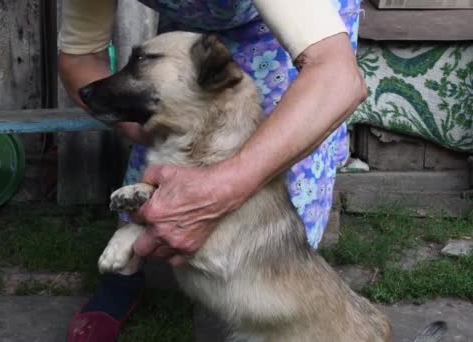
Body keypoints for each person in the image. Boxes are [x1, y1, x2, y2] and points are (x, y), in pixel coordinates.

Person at [59, 0, 365, 340]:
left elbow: (335, 74)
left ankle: (286, 312)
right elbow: (79, 56)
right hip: (190, 47)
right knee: (155, 180)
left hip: (292, 39)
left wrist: (224, 187)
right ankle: (122, 281)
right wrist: (142, 127)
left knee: (276, 201)